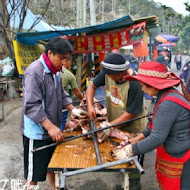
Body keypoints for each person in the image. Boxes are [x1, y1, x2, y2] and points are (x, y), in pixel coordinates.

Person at [20, 37, 86, 190]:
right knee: (32, 175)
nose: (64, 62)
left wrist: (73, 109)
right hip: (36, 133)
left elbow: (61, 93)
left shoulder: (56, 71)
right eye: (61, 58)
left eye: (66, 59)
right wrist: (50, 127)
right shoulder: (34, 72)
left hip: (52, 129)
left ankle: (55, 188)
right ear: (50, 53)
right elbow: (31, 106)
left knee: (53, 164)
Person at [113, 61, 190, 190]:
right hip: (173, 153)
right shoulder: (164, 95)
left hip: (182, 157)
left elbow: (157, 138)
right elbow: (155, 124)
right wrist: (138, 138)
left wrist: (129, 150)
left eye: (144, 86)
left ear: (155, 84)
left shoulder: (168, 103)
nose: (142, 89)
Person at [86, 52, 147, 190]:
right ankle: (123, 182)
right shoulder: (108, 72)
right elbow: (92, 86)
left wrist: (109, 125)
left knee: (132, 166)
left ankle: (134, 185)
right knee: (119, 160)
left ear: (122, 72)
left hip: (134, 131)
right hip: (117, 127)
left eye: (112, 76)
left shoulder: (135, 83)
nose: (109, 78)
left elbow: (131, 113)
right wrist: (90, 105)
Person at [60, 55, 84, 130]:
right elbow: (76, 91)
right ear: (69, 62)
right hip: (62, 101)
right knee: (62, 120)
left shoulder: (54, 72)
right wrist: (83, 99)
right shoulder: (69, 75)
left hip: (52, 101)